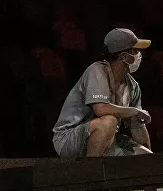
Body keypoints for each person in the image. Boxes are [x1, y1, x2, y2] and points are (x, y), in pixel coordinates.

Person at [52, 28, 153, 157]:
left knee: (143, 156)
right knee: (109, 121)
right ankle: (92, 172)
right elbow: (100, 109)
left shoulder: (133, 85)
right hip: (69, 138)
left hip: (108, 138)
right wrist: (134, 111)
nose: (139, 55)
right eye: (135, 51)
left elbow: (137, 126)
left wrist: (150, 160)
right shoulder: (97, 70)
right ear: (124, 56)